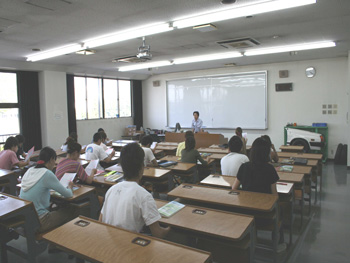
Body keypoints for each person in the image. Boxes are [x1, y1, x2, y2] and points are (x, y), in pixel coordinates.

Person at [99, 143, 170, 238]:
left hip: (108, 241)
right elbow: (158, 234)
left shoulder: (111, 190)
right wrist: (171, 229)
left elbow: (100, 221)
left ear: (122, 167)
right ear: (142, 167)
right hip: (129, 247)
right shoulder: (144, 196)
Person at [232, 137, 285, 252]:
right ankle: (279, 241)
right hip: (264, 216)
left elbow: (234, 189)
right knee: (281, 209)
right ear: (267, 153)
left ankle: (251, 235)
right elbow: (274, 196)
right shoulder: (270, 169)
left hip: (245, 214)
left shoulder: (244, 166)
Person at [19, 147, 76, 233]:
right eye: (54, 160)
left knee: (56, 208)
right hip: (40, 221)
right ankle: (59, 241)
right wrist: (70, 186)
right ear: (51, 159)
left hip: (26, 219)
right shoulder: (47, 173)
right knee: (71, 210)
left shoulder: (30, 170)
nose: (55, 163)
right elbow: (69, 194)